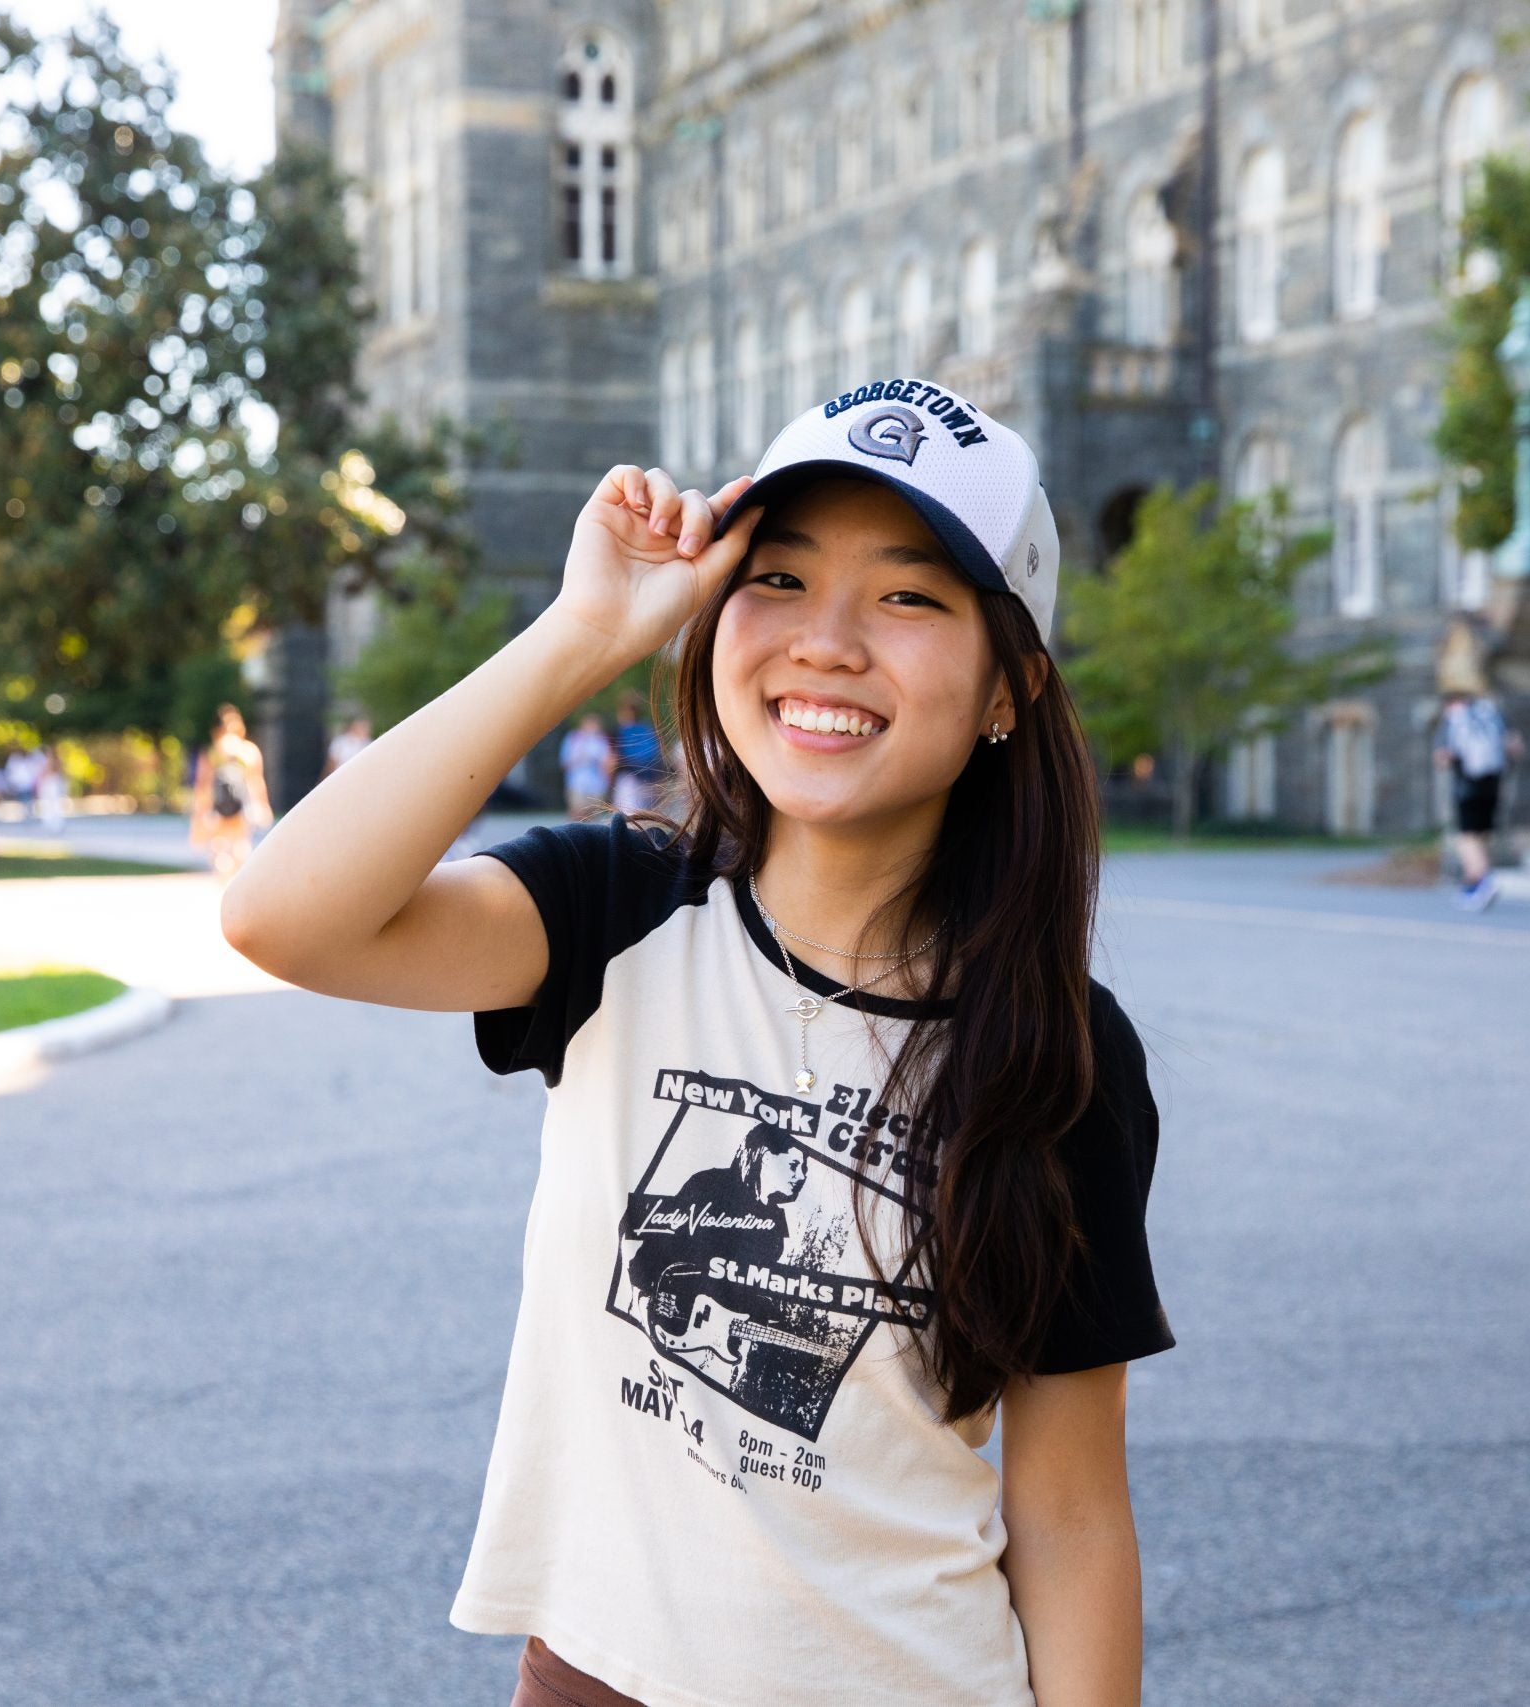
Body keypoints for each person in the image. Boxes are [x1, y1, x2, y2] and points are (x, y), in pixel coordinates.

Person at [221, 383, 1176, 1707]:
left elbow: (1070, 1511)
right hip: (593, 1673)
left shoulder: (1058, 1052)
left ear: (1010, 683)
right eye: (778, 578)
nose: (828, 641)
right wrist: (581, 634)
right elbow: (283, 915)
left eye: (909, 596)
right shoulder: (617, 909)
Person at [1432, 683, 1523, 911]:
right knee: (1481, 834)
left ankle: (1483, 881)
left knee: (1466, 837)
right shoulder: (1491, 713)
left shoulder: (1454, 718)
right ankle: (1472, 886)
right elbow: (1515, 747)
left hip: (1467, 783)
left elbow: (1442, 757)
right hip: (1493, 781)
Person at [189, 704, 272, 883]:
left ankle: (223, 877)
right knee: (241, 842)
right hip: (242, 802)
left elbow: (203, 783)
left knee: (219, 843)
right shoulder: (248, 750)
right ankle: (237, 879)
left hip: (218, 804)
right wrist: (263, 804)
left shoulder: (213, 751)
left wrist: (200, 812)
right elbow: (256, 780)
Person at [609, 691, 662, 816]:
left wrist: (610, 781)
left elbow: (612, 760)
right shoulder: (648, 729)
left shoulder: (621, 732)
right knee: (645, 820)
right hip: (648, 781)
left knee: (627, 820)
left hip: (628, 780)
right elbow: (658, 756)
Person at [559, 712, 615, 820]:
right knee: (577, 814)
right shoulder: (573, 738)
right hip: (577, 783)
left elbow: (607, 762)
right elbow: (565, 762)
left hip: (597, 785)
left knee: (592, 816)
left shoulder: (601, 740)